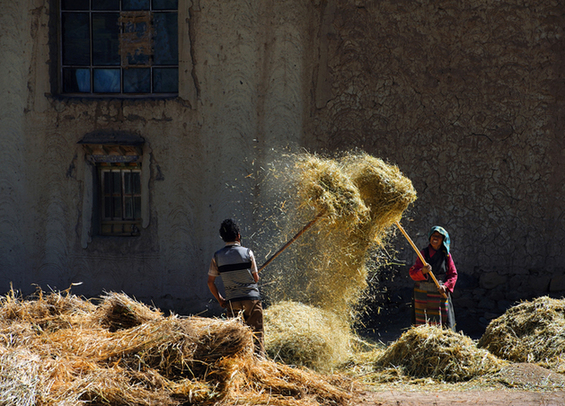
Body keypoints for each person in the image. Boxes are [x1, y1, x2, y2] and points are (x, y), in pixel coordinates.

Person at [207, 218, 264, 356]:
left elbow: (210, 282)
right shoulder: (247, 252)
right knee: (257, 336)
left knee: (235, 340)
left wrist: (221, 299)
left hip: (232, 302)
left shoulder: (217, 256)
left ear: (223, 237)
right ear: (238, 235)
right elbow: (255, 279)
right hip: (251, 300)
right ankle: (259, 364)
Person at [409, 226, 457, 330]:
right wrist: (423, 271)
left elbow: (453, 274)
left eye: (438, 237)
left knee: (443, 326)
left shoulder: (446, 256)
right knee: (422, 325)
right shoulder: (423, 254)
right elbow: (412, 272)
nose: (435, 238)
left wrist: (445, 286)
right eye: (433, 236)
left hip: (439, 293)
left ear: (443, 240)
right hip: (422, 295)